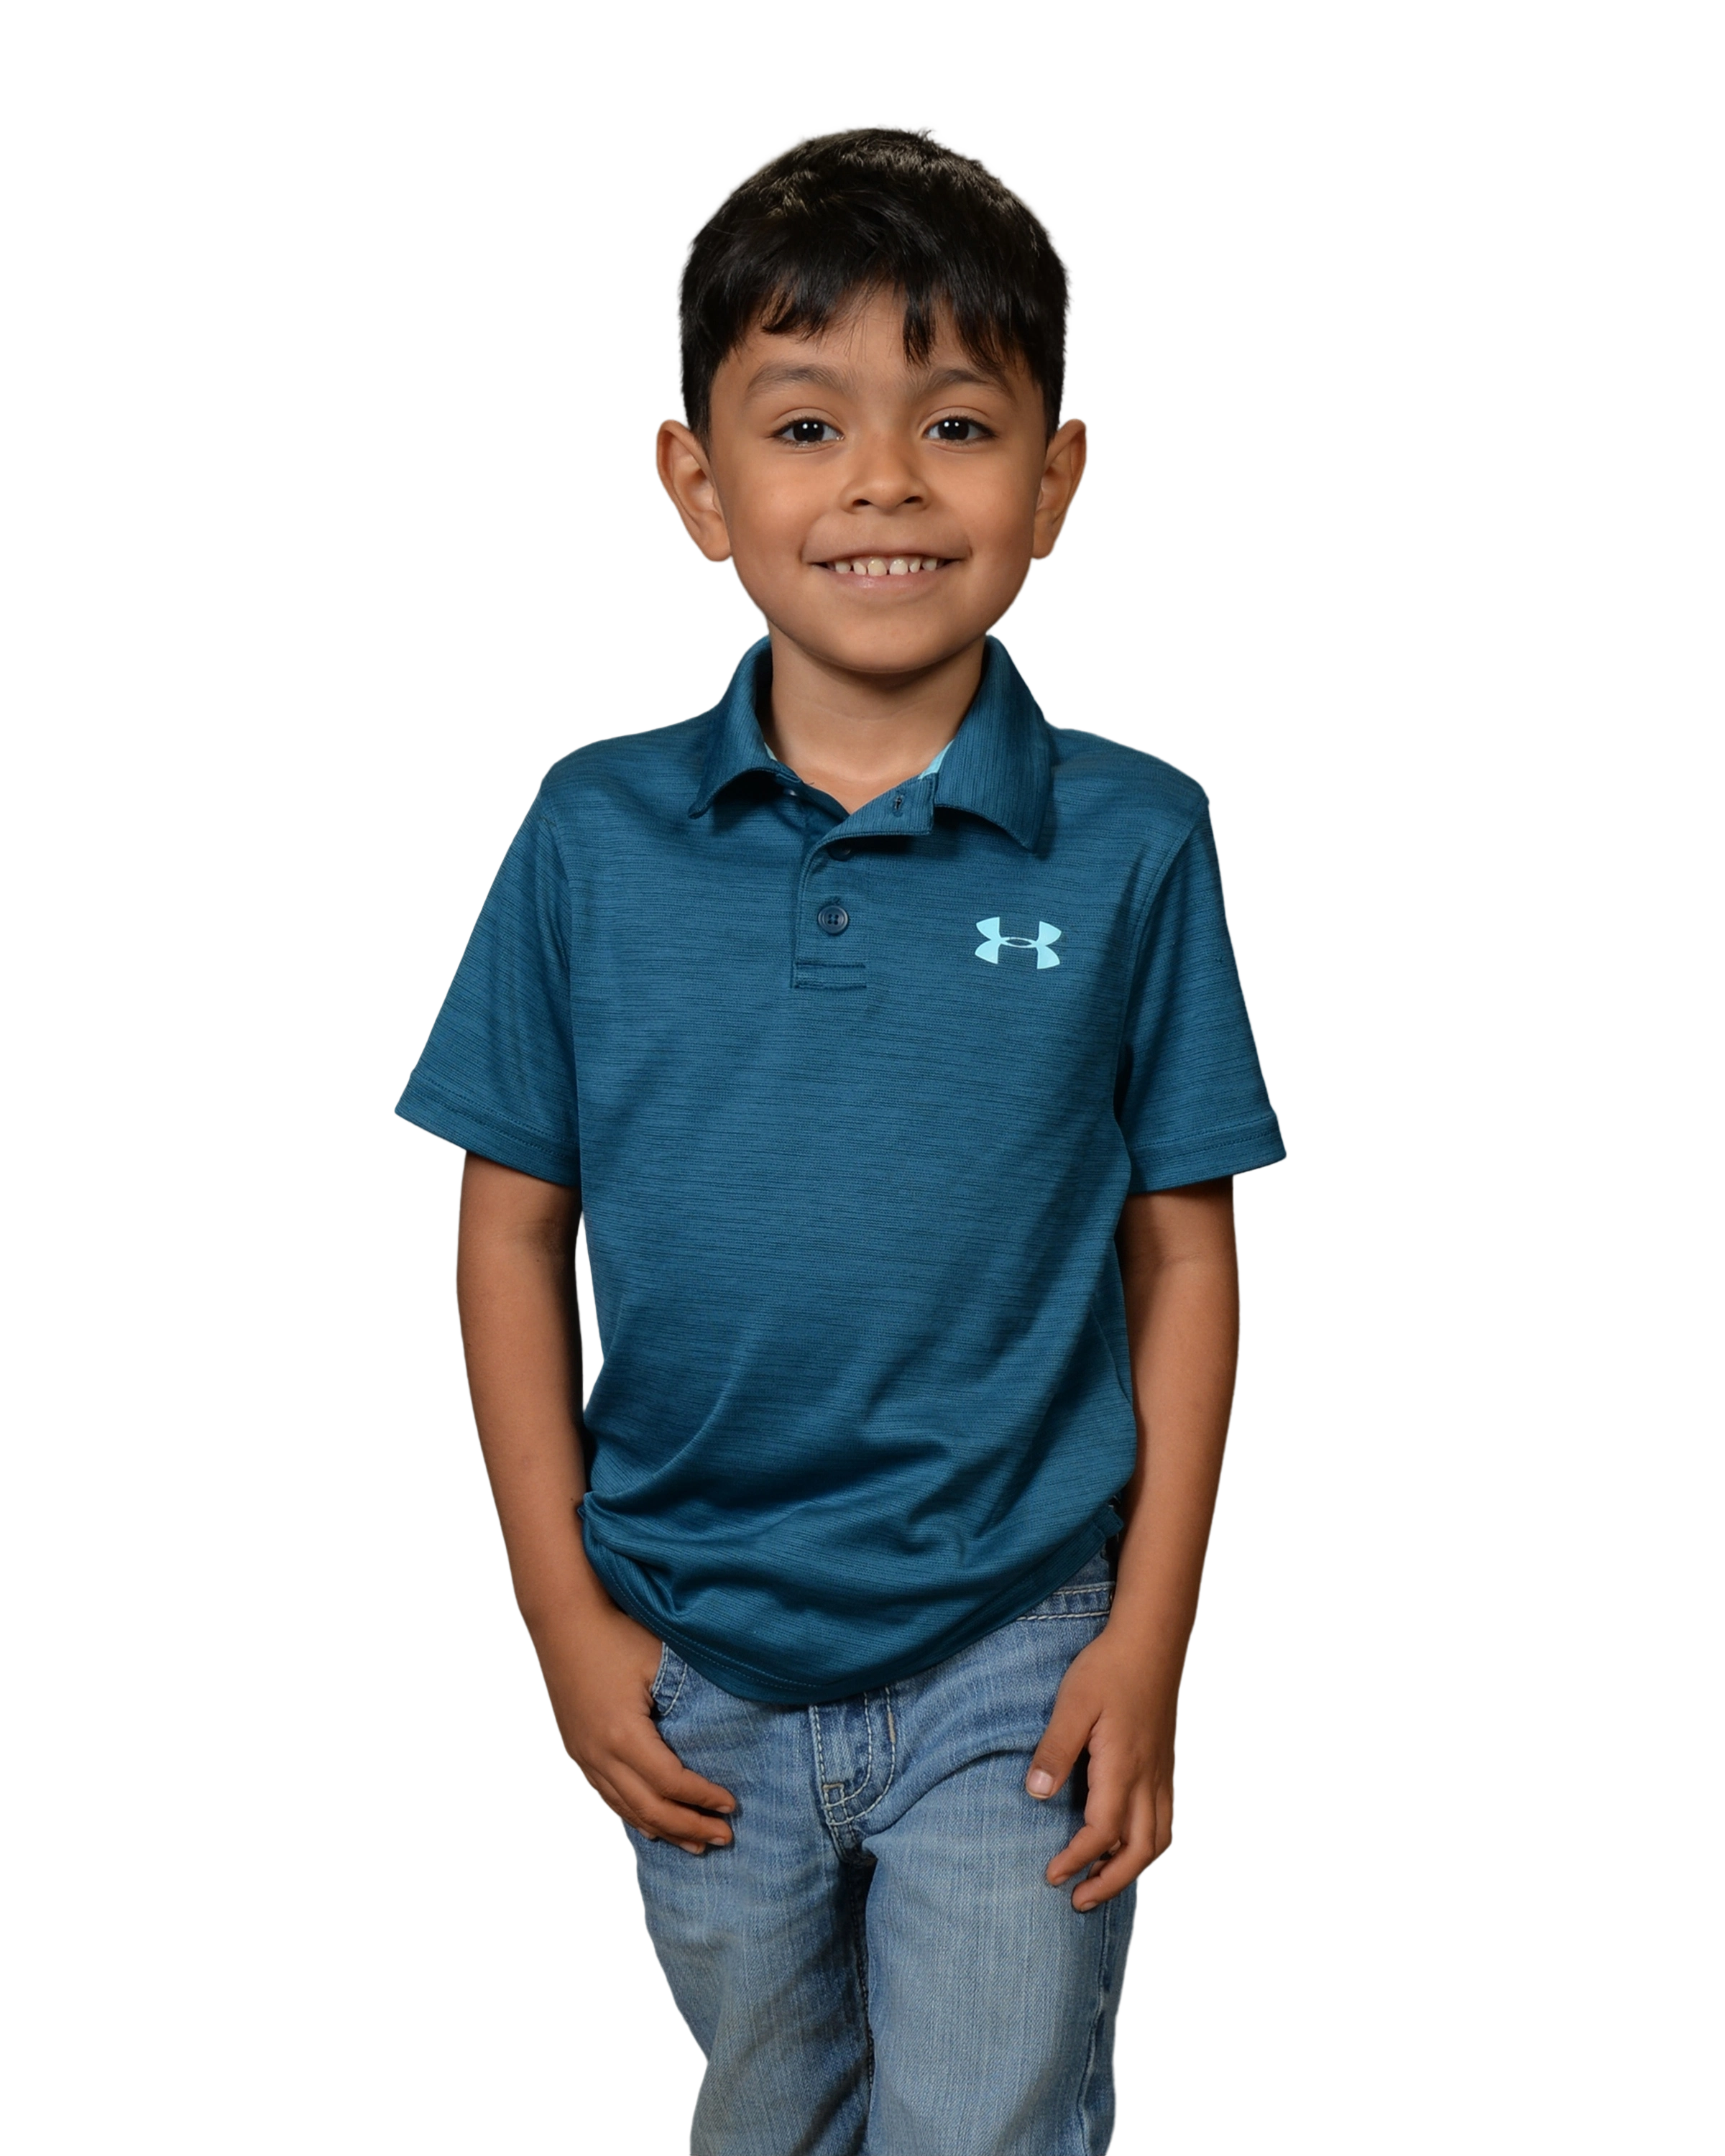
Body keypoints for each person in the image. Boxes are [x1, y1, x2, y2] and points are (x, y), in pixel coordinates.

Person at [392, 120, 1287, 2156]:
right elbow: (508, 1227)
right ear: (699, 485)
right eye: (807, 425)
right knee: (769, 2117)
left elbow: (1184, 1251)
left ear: (1057, 476)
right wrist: (563, 1618)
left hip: (1021, 1642)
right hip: (693, 1643)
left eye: (957, 421)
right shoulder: (593, 838)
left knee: (985, 2122)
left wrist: (1150, 1640)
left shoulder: (1137, 837)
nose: (885, 479)